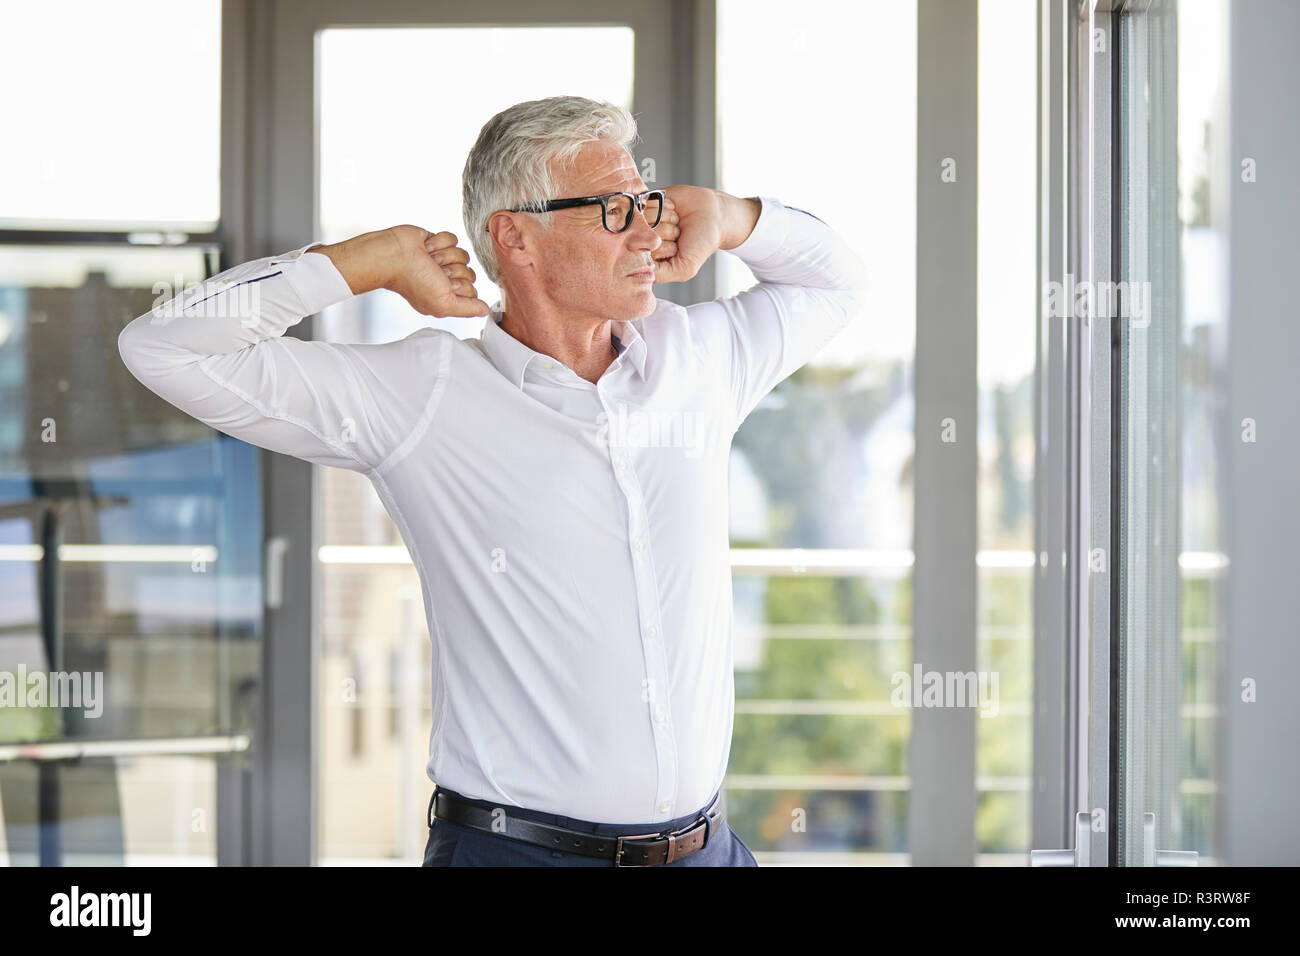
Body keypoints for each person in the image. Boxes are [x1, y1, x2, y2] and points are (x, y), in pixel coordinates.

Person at [118, 95, 868, 866]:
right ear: (516, 235)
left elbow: (837, 283)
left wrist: (731, 215)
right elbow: (167, 349)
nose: (649, 230)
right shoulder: (424, 396)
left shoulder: (700, 360)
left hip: (706, 849)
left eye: (645, 201)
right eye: (614, 209)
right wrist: (365, 261)